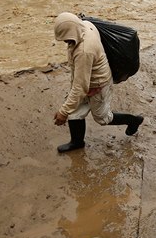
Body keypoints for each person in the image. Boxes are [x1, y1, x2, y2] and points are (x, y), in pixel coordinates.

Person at [53, 12, 144, 152]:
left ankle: (133, 120)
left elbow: (80, 87)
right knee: (75, 111)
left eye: (66, 39)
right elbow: (81, 84)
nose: (66, 42)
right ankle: (77, 142)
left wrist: (63, 112)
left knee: (103, 118)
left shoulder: (84, 51)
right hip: (89, 75)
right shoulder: (87, 25)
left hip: (98, 83)